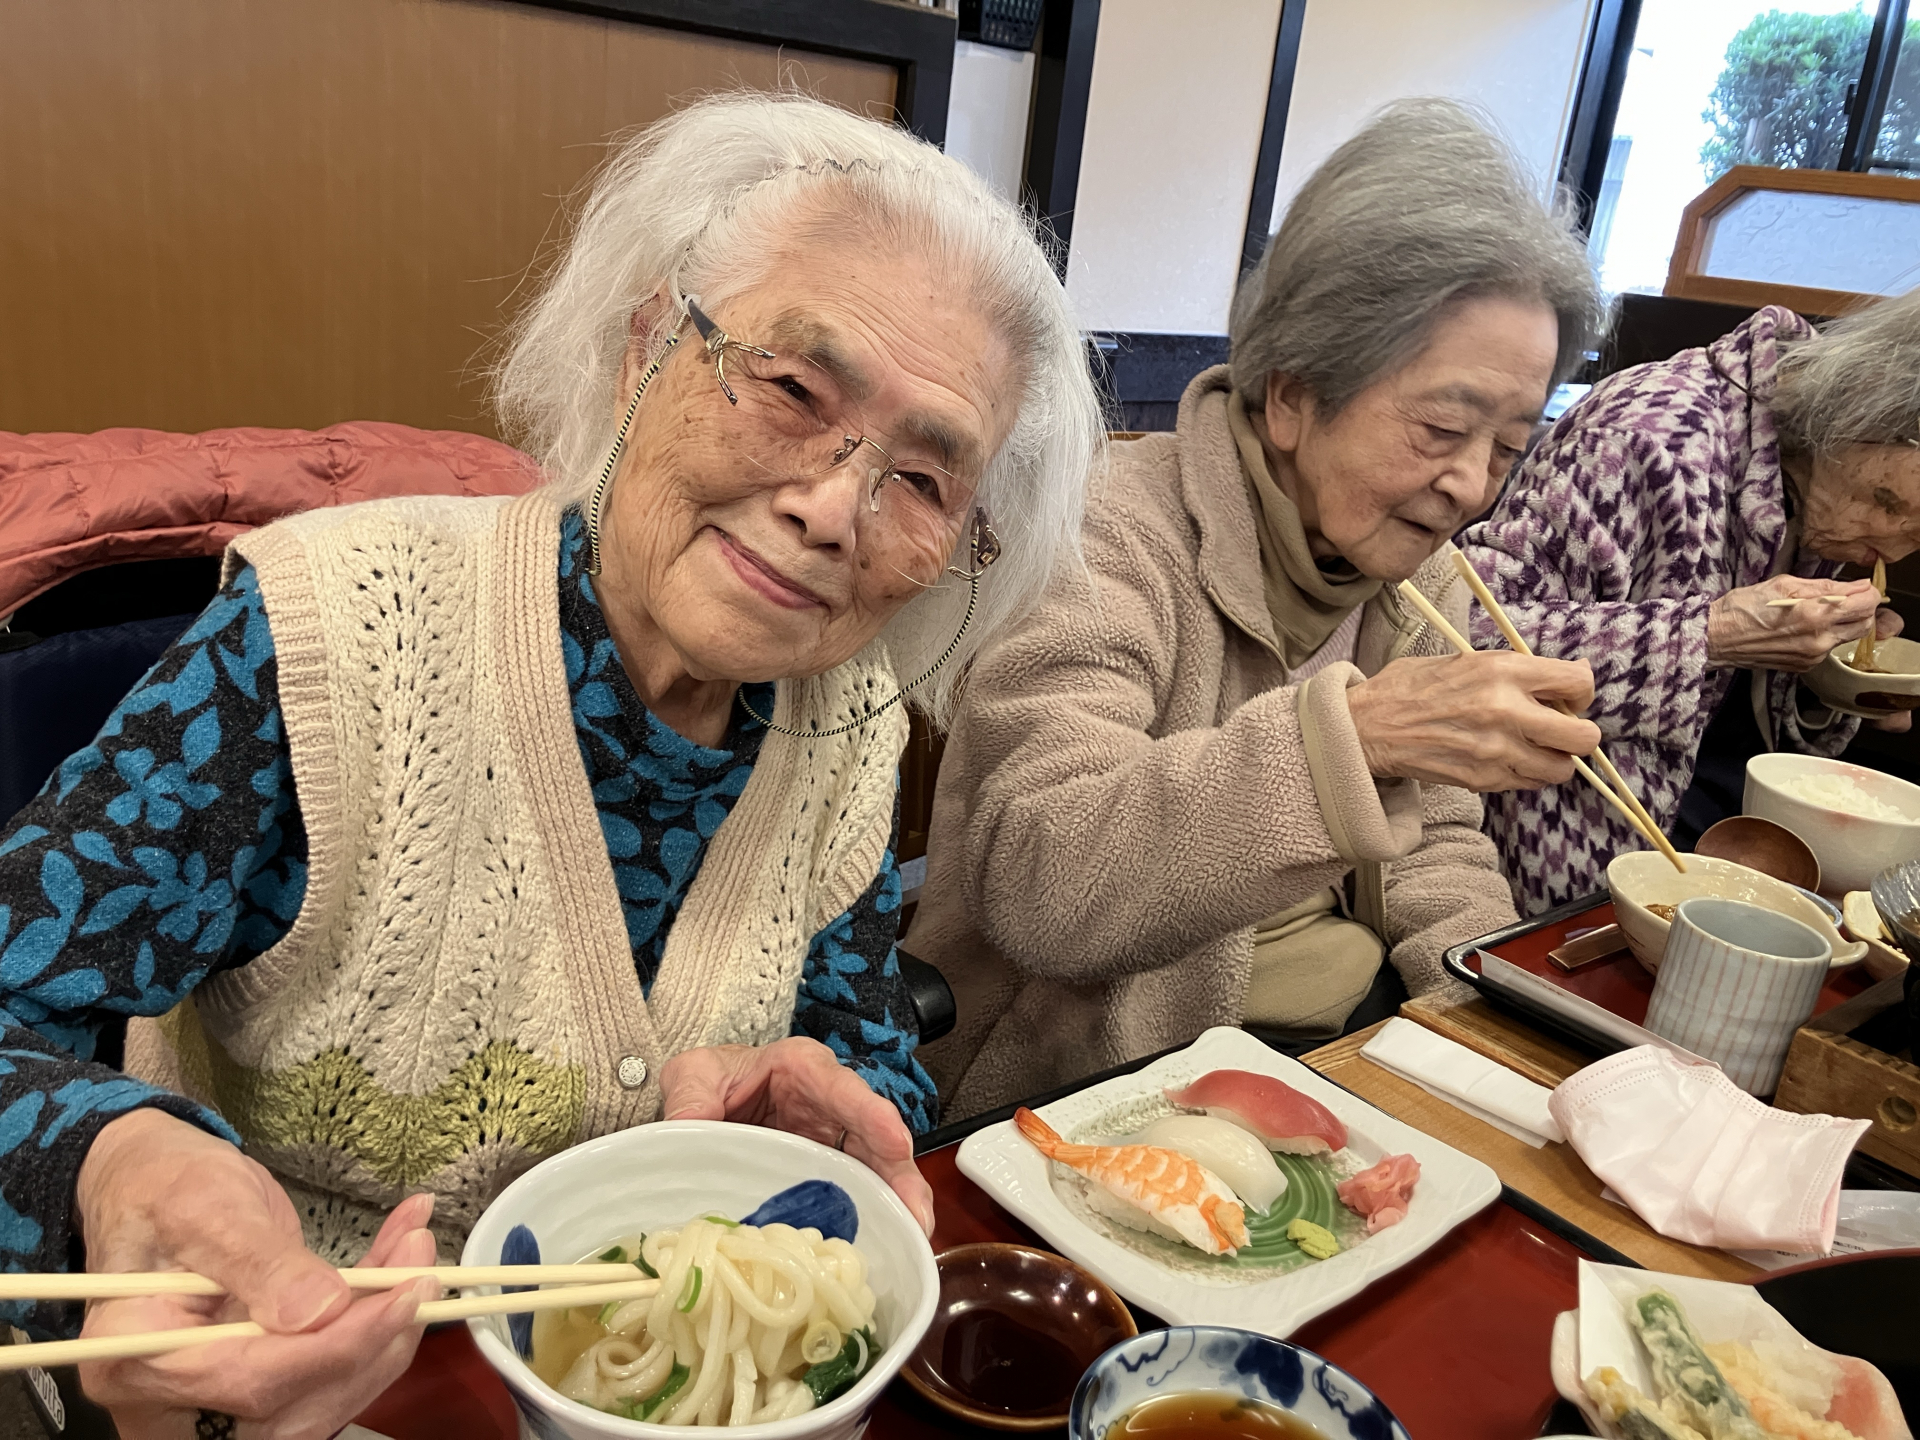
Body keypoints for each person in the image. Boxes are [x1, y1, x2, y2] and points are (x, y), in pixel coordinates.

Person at [0, 93, 1103, 1436]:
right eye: (792, 389)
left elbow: (862, 1036)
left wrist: (834, 1111)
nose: (833, 510)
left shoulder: (851, 723)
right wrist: (109, 1161)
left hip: (663, 1385)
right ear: (647, 349)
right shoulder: (332, 640)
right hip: (294, 1383)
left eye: (924, 481)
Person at [905, 100, 1607, 1121]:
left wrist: (1495, 1029)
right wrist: (1354, 741)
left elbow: (1438, 848)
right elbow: (1042, 879)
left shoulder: (1427, 577)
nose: (1470, 485)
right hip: (1110, 1083)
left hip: (1353, 1047)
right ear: (1291, 395)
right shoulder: (1109, 535)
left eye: (1508, 447)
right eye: (1441, 428)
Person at [1461, 289, 1920, 914]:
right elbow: (1466, 636)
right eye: (1887, 505)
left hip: (1730, 825)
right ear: (1852, 411)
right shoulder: (1643, 437)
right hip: (1576, 850)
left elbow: (1749, 711)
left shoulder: (1824, 477)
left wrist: (1828, 677)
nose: (1894, 545)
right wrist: (1712, 634)